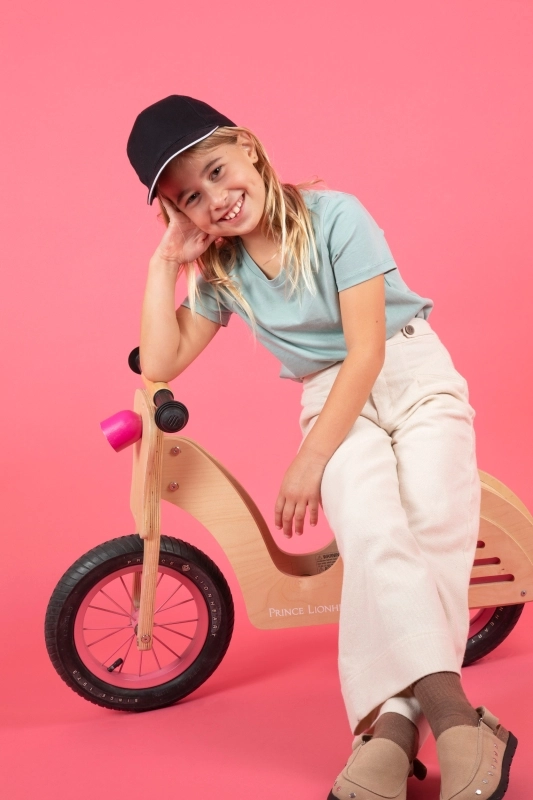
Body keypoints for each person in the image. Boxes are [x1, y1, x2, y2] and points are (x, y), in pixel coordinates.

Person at [126, 95, 517, 800]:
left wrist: (309, 461)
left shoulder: (335, 216)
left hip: (407, 372)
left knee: (433, 523)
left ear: (247, 147)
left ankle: (388, 727)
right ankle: (454, 720)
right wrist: (165, 261)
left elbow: (365, 348)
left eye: (217, 171)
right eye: (189, 198)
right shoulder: (221, 271)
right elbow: (161, 356)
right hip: (328, 398)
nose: (214, 199)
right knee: (370, 529)